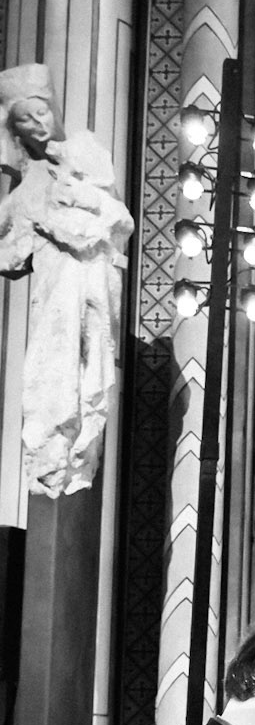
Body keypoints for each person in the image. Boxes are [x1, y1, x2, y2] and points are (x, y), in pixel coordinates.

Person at [0, 61, 133, 497]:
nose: (38, 123)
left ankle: (76, 462)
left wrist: (75, 207)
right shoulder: (26, 190)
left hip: (93, 287)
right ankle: (51, 465)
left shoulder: (84, 149)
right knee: (51, 388)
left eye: (41, 112)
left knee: (91, 382)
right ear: (15, 130)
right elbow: (8, 252)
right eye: (25, 119)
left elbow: (118, 221)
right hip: (54, 298)